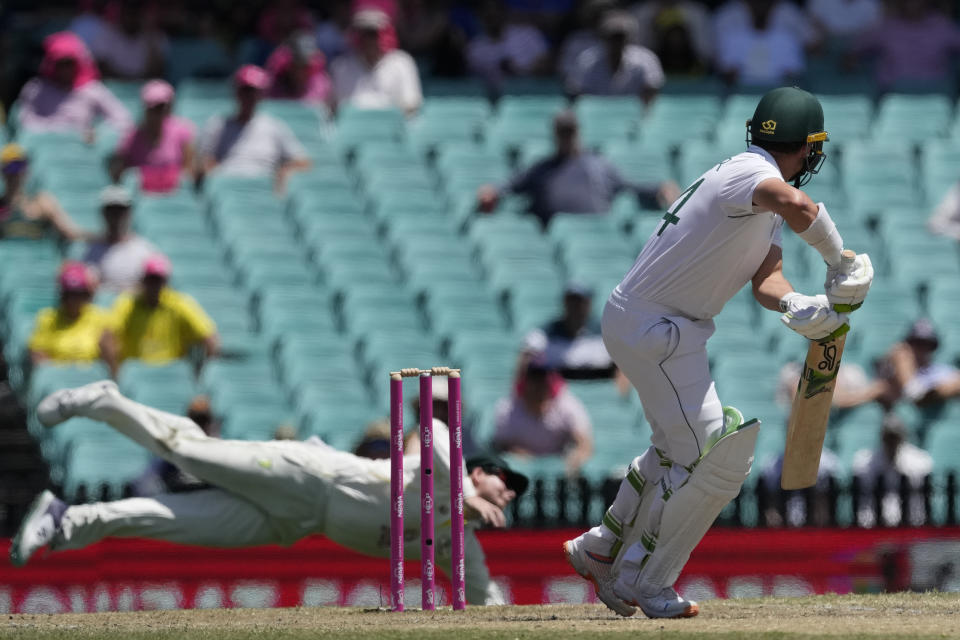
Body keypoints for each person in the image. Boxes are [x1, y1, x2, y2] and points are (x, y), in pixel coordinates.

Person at [562, 86, 873, 619]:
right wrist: (839, 261)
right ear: (804, 147)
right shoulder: (750, 176)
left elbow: (766, 279)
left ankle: (602, 543)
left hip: (657, 325)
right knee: (718, 462)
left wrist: (798, 304)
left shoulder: (756, 193)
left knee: (673, 449)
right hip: (657, 328)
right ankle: (646, 579)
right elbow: (800, 203)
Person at [11, 379, 528, 606]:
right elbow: (437, 431)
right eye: (502, 482)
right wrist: (465, 488)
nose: (506, 495)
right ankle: (103, 401)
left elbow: (487, 598)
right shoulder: (441, 468)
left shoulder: (460, 545)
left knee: (168, 520)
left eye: (512, 494)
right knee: (188, 452)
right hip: (305, 474)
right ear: (479, 472)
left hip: (293, 524)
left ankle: (65, 520)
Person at [477, 110, 679, 228]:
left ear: (578, 132)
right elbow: (510, 186)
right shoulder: (542, 169)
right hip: (558, 238)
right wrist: (491, 191)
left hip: (597, 233)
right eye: (562, 132)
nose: (567, 137)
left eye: (570, 132)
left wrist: (659, 188)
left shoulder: (599, 165)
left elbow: (630, 187)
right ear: (555, 135)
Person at [196, 65, 311, 193]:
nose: (249, 97)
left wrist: (285, 171)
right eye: (245, 90)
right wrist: (212, 171)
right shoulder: (217, 124)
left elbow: (303, 161)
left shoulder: (273, 126)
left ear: (261, 95)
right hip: (229, 187)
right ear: (236, 92)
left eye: (254, 92)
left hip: (263, 188)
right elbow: (203, 162)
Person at [109, 254, 220, 365]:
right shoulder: (127, 304)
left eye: (158, 280)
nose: (155, 285)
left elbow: (209, 337)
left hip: (172, 371)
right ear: (143, 280)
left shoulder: (180, 304)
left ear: (165, 282)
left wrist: (203, 373)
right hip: (135, 370)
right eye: (151, 279)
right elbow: (108, 334)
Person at [16, 31, 131, 137]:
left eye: (69, 63)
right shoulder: (36, 89)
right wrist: (58, 130)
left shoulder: (92, 89)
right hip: (45, 148)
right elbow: (24, 122)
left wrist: (97, 132)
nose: (65, 69)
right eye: (60, 64)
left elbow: (123, 120)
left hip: (81, 151)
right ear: (51, 64)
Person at [492, 360, 594, 477]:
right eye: (534, 379)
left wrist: (577, 457)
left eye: (543, 378)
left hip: (558, 471)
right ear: (526, 382)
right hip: (521, 471)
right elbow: (499, 445)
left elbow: (585, 443)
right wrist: (515, 452)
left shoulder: (567, 404)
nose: (539, 385)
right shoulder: (507, 408)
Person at [847, 0, 960, 92]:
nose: (912, 3)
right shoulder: (886, 27)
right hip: (892, 95)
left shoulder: (944, 26)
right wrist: (851, 60)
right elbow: (853, 51)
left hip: (936, 94)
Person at [329, 9, 423, 115]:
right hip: (354, 127)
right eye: (363, 35)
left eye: (373, 34)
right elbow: (335, 109)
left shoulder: (402, 63)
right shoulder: (341, 67)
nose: (368, 40)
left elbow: (412, 105)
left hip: (391, 127)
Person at [28, 261, 117, 373]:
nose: (73, 300)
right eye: (69, 294)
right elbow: (38, 355)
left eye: (79, 294)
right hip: (58, 380)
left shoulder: (101, 318)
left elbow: (110, 360)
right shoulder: (47, 318)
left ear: (87, 295)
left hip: (91, 379)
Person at [110, 80, 195, 194]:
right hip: (140, 195)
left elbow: (189, 171)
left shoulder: (183, 132)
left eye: (161, 107)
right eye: (152, 107)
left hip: (174, 193)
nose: (157, 112)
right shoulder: (130, 136)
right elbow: (121, 172)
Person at [565, 11, 665, 104]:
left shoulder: (646, 59)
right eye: (612, 37)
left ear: (629, 38)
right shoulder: (587, 60)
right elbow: (575, 92)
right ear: (603, 37)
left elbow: (652, 90)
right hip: (595, 116)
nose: (617, 42)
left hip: (634, 117)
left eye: (621, 37)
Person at [853, 414, 932, 528]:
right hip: (873, 523)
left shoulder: (920, 460)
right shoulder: (864, 461)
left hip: (911, 522)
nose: (892, 442)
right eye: (888, 438)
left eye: (895, 437)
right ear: (882, 437)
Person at [522, 283, 615, 379]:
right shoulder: (544, 334)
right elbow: (527, 355)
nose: (575, 306)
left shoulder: (606, 334)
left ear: (589, 303)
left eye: (580, 301)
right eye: (571, 301)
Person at [132, 396, 218, 497]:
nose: (200, 426)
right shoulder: (175, 448)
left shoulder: (219, 453)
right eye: (196, 420)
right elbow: (145, 485)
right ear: (188, 421)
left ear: (211, 423)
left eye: (204, 421)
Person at [81, 185, 158, 293]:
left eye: (120, 210)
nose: (116, 215)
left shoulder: (145, 250)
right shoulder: (91, 251)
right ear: (103, 213)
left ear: (129, 212)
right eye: (111, 210)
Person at [0, 144, 83, 241]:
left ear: (27, 170)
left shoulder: (41, 202)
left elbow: (69, 233)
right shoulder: (2, 206)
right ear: (3, 172)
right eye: (9, 167)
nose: (15, 173)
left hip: (39, 253)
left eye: (18, 166)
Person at [467, 0, 551, 95]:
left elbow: (546, 65)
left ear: (504, 13)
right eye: (488, 14)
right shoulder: (474, 48)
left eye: (496, 12)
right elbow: (473, 81)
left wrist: (519, 71)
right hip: (497, 99)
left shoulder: (528, 34)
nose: (492, 16)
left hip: (533, 94)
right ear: (480, 16)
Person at [715, 0, 806, 87]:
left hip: (778, 97)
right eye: (756, 2)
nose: (760, 6)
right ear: (749, 5)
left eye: (765, 2)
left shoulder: (787, 39)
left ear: (773, 5)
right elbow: (726, 74)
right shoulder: (733, 37)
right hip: (742, 96)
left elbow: (793, 76)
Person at [883, 319, 960, 409]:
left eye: (927, 344)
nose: (921, 349)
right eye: (917, 343)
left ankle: (925, 395)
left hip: (935, 401)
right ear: (908, 345)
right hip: (907, 409)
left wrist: (937, 391)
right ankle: (917, 392)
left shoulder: (941, 370)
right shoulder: (896, 368)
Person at [89, 0, 168, 80]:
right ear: (121, 13)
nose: (131, 16)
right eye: (128, 11)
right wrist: (128, 80)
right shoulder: (106, 33)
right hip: (113, 85)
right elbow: (101, 68)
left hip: (143, 85)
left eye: (136, 12)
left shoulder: (155, 36)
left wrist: (149, 36)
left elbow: (158, 70)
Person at [266, 32, 331, 105]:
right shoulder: (275, 84)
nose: (301, 71)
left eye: (305, 66)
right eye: (297, 65)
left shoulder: (321, 84)